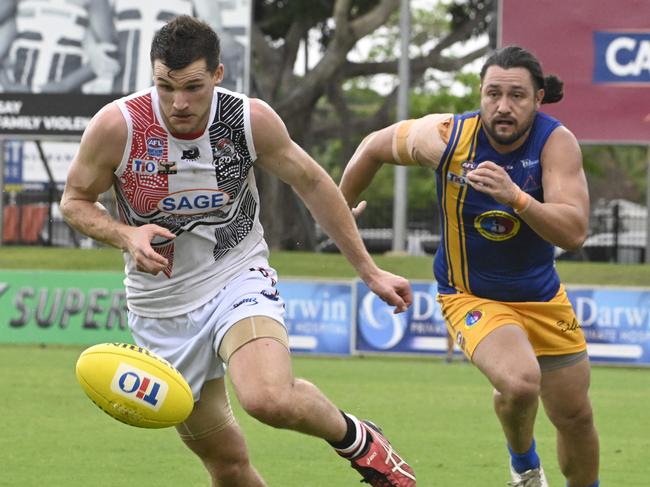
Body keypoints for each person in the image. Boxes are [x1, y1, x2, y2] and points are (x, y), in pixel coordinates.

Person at [60, 15, 416, 487]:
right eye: (165, 86)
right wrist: (126, 236)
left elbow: (310, 181)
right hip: (160, 305)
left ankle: (360, 441)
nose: (178, 103)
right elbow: (74, 201)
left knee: (268, 398)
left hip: (236, 273)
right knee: (226, 465)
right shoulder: (117, 126)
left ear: (218, 75)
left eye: (192, 86)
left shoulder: (247, 120)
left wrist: (370, 272)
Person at [339, 45, 599, 487]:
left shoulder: (556, 143)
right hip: (470, 295)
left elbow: (573, 232)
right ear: (480, 93)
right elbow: (373, 146)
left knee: (575, 416)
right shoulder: (446, 138)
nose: (503, 106)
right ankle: (525, 467)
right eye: (493, 93)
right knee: (519, 384)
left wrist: (515, 196)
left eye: (517, 95)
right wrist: (340, 205)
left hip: (544, 299)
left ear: (538, 99)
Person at [0, 0, 118, 93]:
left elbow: (109, 54)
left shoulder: (94, 1)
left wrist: (64, 86)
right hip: (20, 101)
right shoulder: (16, 2)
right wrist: (8, 86)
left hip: (66, 103)